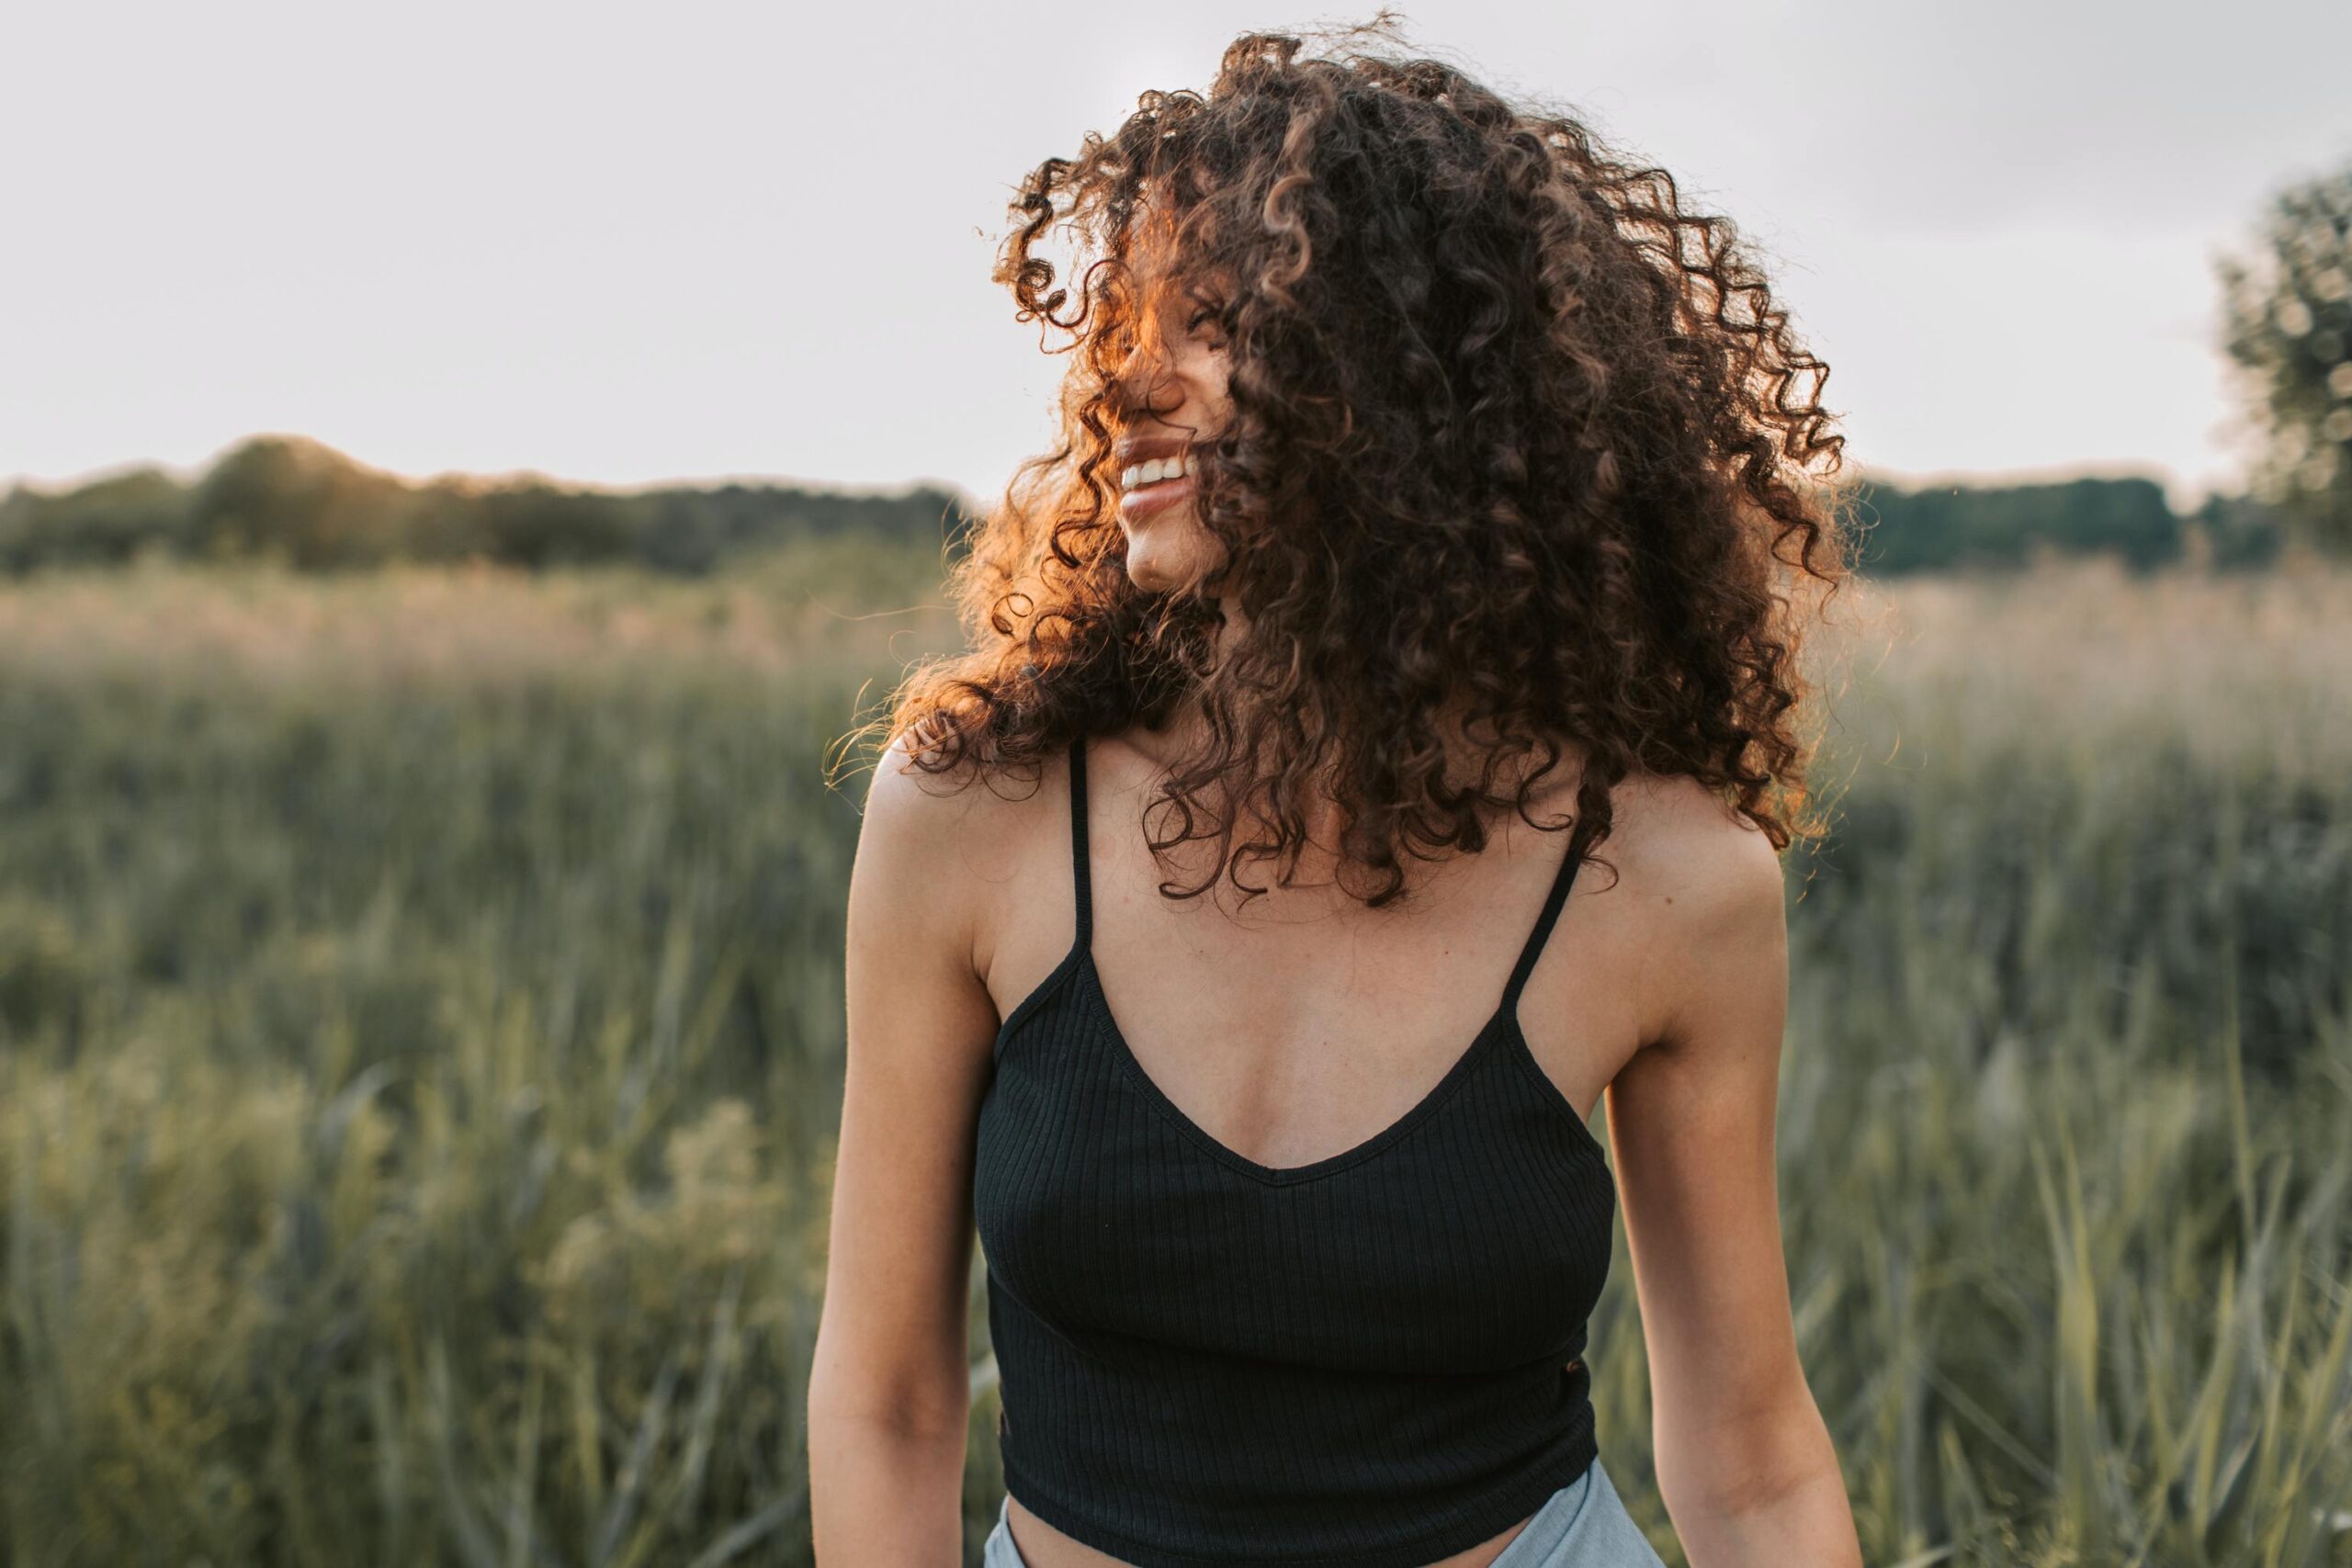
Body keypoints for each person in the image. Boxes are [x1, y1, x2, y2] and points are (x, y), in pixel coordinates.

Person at [811, 16, 1864, 1566]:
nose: (1132, 386)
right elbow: (891, 1398)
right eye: (1125, 329)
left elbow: (1752, 1457)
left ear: (1412, 383)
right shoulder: (976, 806)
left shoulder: (1664, 878)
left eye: (1216, 321)